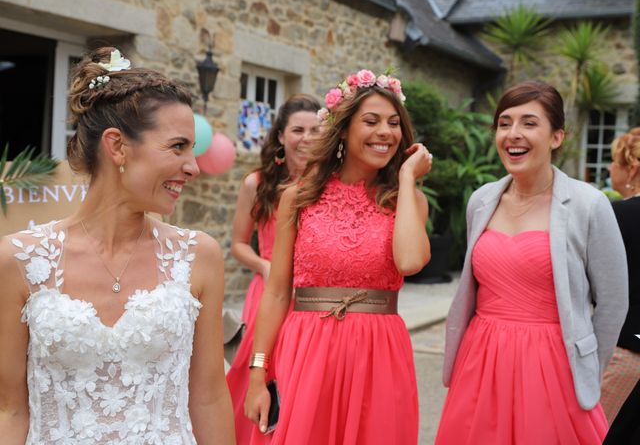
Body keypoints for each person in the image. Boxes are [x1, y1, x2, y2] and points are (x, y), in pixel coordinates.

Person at [0, 47, 235, 444]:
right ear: (117, 146)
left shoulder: (199, 257)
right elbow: (10, 407)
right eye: (178, 147)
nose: (193, 166)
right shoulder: (19, 259)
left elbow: (210, 398)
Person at [244, 70, 432, 445]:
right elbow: (278, 292)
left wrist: (408, 180)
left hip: (379, 354)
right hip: (308, 350)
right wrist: (257, 373)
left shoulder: (407, 202)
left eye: (394, 123)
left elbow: (410, 262)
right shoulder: (296, 198)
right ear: (343, 130)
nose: (386, 132)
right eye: (371, 121)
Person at [436, 81, 628, 445]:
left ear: (557, 137)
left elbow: (614, 302)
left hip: (554, 366)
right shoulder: (481, 200)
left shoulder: (589, 205)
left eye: (528, 123)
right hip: (481, 358)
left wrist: (588, 370)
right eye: (504, 123)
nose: (513, 134)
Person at [226, 94, 321, 444]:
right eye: (298, 130)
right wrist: (263, 264)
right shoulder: (257, 183)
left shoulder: (328, 185)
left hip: (309, 294)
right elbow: (237, 244)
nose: (307, 138)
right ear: (281, 136)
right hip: (268, 289)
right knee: (260, 372)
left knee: (300, 377)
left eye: (315, 130)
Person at [600, 127, 640, 423]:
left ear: (632, 169)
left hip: (625, 351)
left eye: (615, 162)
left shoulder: (616, 215)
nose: (610, 169)